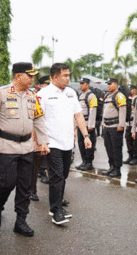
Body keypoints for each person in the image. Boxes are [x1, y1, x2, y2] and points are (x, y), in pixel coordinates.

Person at [0, 62, 49, 237]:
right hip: (6, 146)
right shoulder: (0, 94)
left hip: (27, 147)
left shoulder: (32, 96)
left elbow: (39, 120)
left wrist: (43, 142)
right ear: (18, 76)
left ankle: (21, 221)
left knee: (25, 186)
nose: (32, 78)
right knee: (7, 182)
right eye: (30, 75)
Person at [37, 63, 92, 225]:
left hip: (68, 142)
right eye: (65, 75)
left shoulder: (71, 93)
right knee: (57, 176)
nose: (68, 78)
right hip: (51, 142)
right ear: (55, 77)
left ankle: (58, 204)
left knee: (64, 176)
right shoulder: (43, 94)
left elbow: (79, 116)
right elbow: (37, 119)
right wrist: (40, 142)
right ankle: (55, 211)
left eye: (69, 75)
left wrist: (86, 136)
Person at [101, 78, 127, 177]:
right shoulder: (108, 95)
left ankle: (117, 169)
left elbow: (122, 110)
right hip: (107, 126)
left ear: (115, 84)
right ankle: (111, 166)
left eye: (110, 84)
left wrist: (121, 125)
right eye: (107, 84)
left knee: (116, 148)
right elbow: (104, 111)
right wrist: (103, 124)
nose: (108, 86)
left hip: (115, 126)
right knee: (109, 147)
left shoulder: (119, 96)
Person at [75, 77, 97, 171]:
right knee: (81, 143)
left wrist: (91, 125)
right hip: (81, 124)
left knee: (88, 144)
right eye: (80, 83)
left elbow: (93, 110)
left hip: (88, 123)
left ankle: (89, 163)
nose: (81, 85)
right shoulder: (80, 95)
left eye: (83, 83)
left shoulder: (91, 95)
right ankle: (84, 161)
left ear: (87, 84)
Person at [123, 85, 137, 165]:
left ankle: (135, 157)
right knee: (128, 140)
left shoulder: (136, 98)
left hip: (134, 123)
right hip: (128, 123)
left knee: (134, 141)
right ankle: (130, 156)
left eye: (132, 89)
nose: (130, 91)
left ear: (135, 90)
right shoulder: (127, 98)